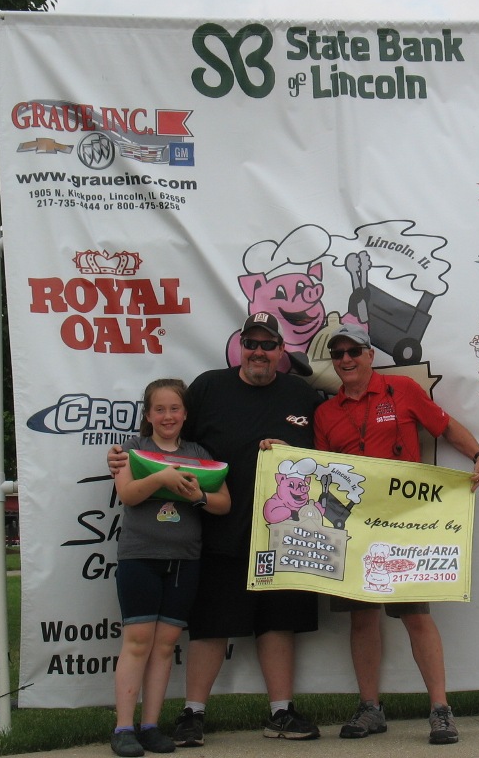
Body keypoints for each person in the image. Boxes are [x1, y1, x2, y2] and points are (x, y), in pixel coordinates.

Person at [109, 312, 323, 746]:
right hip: (218, 530)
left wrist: (295, 452)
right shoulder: (209, 387)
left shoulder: (301, 394)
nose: (259, 352)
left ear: (282, 350)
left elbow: (325, 456)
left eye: (268, 345)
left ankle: (281, 712)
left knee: (278, 622)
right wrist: (123, 458)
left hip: (285, 534)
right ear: (240, 347)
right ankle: (192, 714)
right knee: (211, 625)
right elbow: (170, 439)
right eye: (251, 343)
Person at [314, 324, 479, 745]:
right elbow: (320, 472)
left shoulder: (403, 391)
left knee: (416, 616)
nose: (345, 359)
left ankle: (441, 710)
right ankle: (370, 708)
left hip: (404, 527)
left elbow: (445, 427)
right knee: (362, 618)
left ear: (369, 355)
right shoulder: (326, 413)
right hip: (355, 529)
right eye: (338, 353)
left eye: (353, 351)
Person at [108, 378, 230, 758]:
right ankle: (123, 728)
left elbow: (223, 502)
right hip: (140, 558)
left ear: (185, 413)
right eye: (159, 409)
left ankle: (150, 726)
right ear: (147, 415)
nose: (167, 416)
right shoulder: (132, 449)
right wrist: (161, 477)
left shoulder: (198, 453)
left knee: (164, 647)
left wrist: (199, 496)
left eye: (174, 408)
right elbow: (128, 495)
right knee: (137, 642)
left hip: (184, 561)